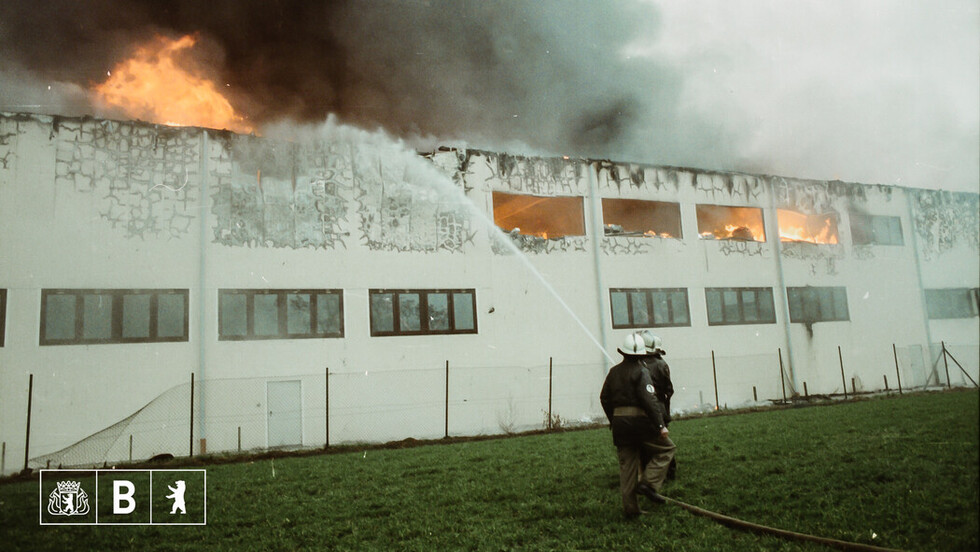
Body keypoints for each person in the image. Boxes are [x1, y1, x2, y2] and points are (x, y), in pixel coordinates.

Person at [599, 333, 677, 518]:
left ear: (623, 353)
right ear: (642, 354)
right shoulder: (642, 371)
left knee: (627, 468)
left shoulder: (613, 372)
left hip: (620, 426)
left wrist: (614, 419)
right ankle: (648, 483)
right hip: (641, 424)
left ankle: (631, 510)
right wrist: (660, 426)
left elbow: (604, 398)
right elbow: (649, 400)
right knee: (666, 449)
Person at [639, 330, 677, 481]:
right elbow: (669, 390)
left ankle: (648, 475)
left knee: (646, 445)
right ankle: (669, 473)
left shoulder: (637, 364)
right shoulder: (662, 364)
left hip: (642, 411)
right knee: (664, 443)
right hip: (660, 408)